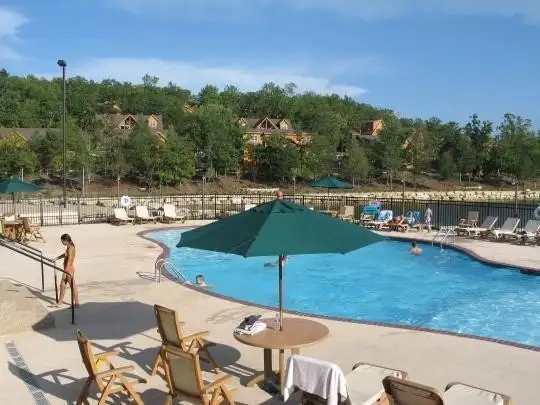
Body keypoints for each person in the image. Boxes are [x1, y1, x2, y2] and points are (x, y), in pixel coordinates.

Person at [53, 234, 80, 307]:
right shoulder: (69, 246)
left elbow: (70, 259)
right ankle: (60, 302)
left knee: (72, 286)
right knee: (62, 285)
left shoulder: (70, 247)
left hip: (69, 269)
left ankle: (77, 303)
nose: (62, 243)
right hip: (68, 268)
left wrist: (65, 271)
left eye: (62, 241)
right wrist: (57, 258)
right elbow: (65, 254)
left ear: (65, 240)